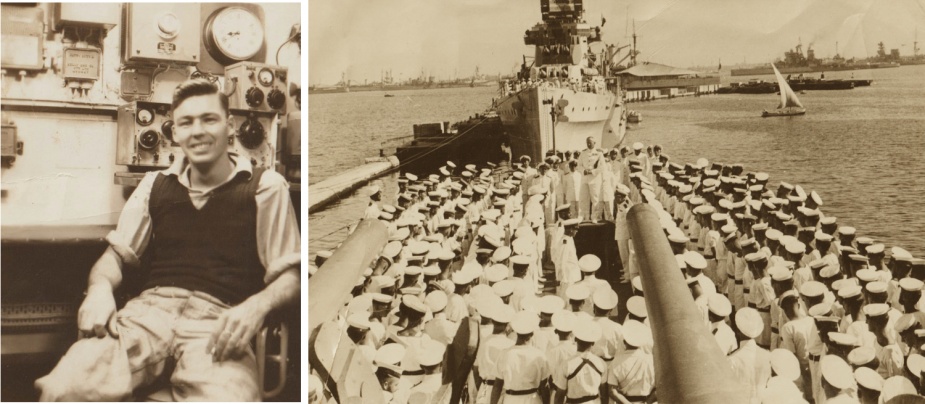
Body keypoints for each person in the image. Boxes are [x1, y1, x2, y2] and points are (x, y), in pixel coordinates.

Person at [35, 78, 301, 401]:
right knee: (62, 389)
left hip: (218, 323)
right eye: (186, 122)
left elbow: (291, 277)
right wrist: (99, 290)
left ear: (230, 127)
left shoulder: (265, 187)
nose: (198, 131)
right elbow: (114, 257)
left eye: (209, 119)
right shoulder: (155, 185)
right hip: (147, 316)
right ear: (175, 133)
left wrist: (256, 307)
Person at [578, 137, 604, 223]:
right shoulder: (583, 153)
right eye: (587, 143)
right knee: (583, 198)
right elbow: (579, 165)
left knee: (595, 198)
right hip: (585, 178)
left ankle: (594, 217)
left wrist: (592, 171)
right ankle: (583, 216)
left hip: (594, 179)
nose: (589, 144)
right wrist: (583, 170)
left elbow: (602, 167)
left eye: (590, 142)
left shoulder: (599, 154)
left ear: (594, 143)